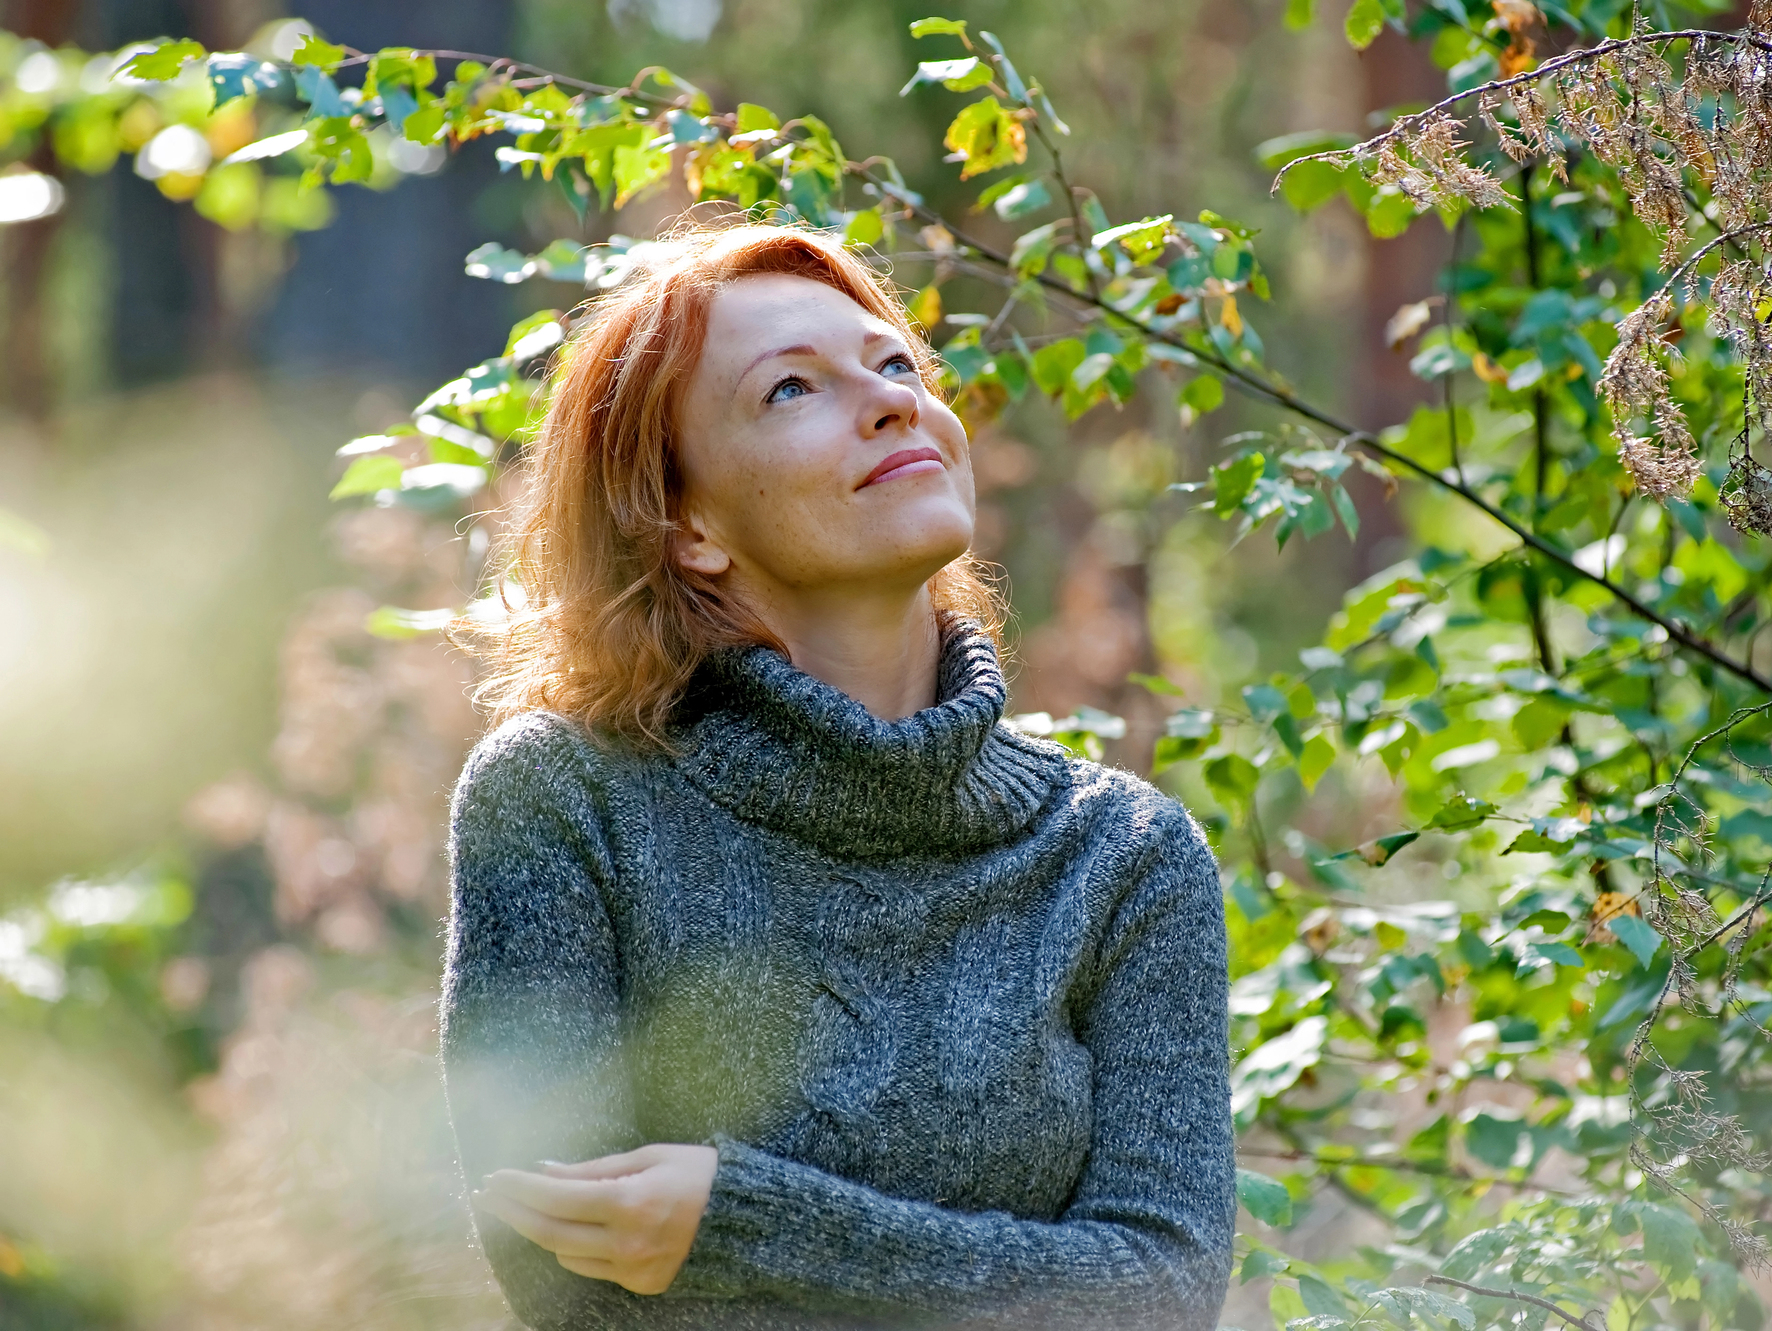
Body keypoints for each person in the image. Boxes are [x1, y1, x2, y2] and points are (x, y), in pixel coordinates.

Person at [440, 220, 1234, 1330]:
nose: (891, 399)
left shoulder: (1124, 852)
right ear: (687, 527)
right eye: (789, 390)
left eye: (894, 362)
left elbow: (1160, 1290)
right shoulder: (564, 798)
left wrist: (743, 1224)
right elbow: (562, 1270)